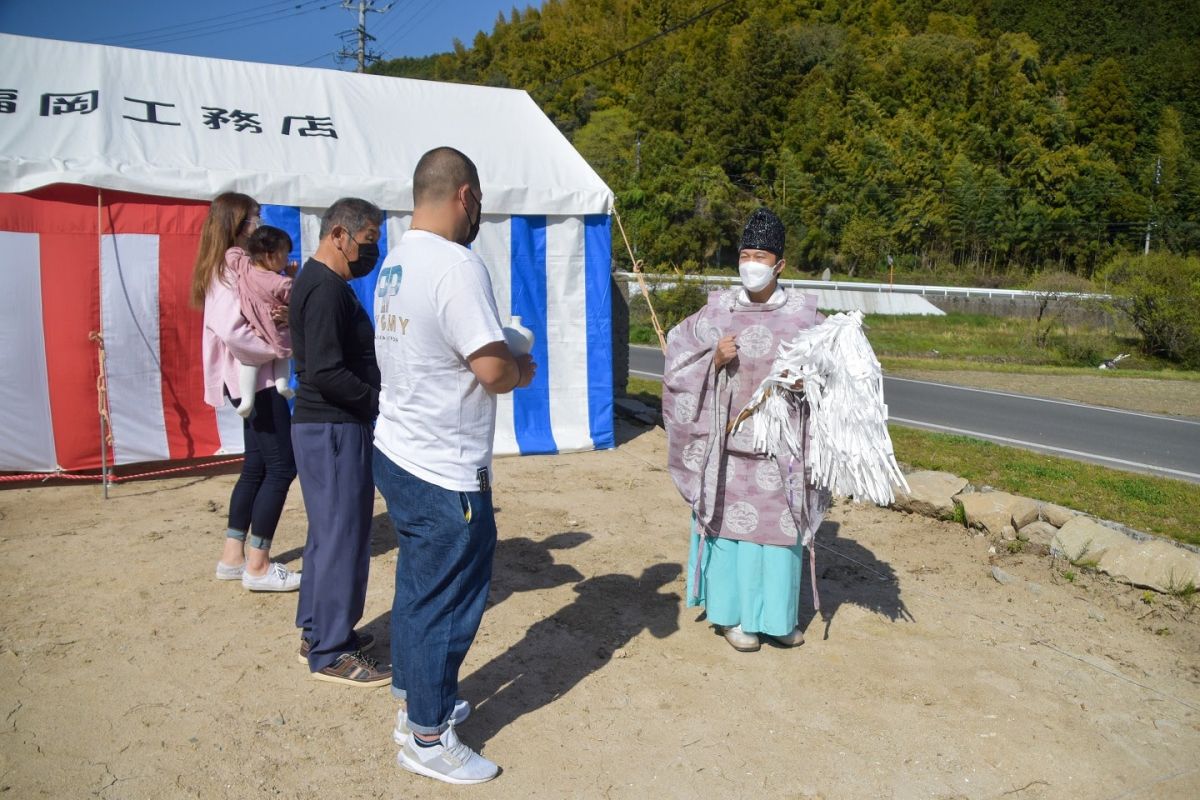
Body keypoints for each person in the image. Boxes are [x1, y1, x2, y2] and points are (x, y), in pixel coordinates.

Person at [373, 147, 535, 784]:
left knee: (418, 588)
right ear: (465, 196)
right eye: (480, 203)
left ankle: (416, 701)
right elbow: (491, 369)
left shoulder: (396, 259)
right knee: (448, 601)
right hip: (446, 466)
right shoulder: (457, 264)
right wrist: (522, 366)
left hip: (399, 448)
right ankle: (429, 735)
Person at [663, 207, 831, 653]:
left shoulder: (805, 317)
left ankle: (777, 620)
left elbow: (835, 375)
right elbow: (678, 359)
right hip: (728, 449)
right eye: (746, 254)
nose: (752, 264)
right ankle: (733, 618)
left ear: (780, 265)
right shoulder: (717, 310)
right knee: (731, 533)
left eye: (761, 255)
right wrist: (711, 360)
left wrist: (806, 380)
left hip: (782, 451)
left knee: (779, 536)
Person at [289, 197, 389, 687]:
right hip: (332, 425)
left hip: (325, 426)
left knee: (327, 534)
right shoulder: (326, 288)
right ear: (338, 234)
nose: (372, 251)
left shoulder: (325, 283)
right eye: (368, 241)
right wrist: (376, 401)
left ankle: (318, 628)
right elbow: (326, 371)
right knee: (342, 537)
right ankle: (330, 649)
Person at [191, 192, 301, 592]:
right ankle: (258, 564)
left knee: (256, 466)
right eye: (254, 217)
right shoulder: (228, 270)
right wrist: (277, 346)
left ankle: (233, 556)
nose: (259, 224)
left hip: (257, 377)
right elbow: (231, 329)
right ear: (236, 224)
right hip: (258, 378)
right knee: (282, 467)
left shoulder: (235, 267)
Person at [234, 225, 296, 418]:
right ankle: (283, 384)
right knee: (282, 357)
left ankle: (246, 399)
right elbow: (294, 303)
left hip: (256, 329)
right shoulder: (282, 283)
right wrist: (292, 276)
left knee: (249, 363)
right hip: (277, 330)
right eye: (284, 255)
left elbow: (231, 255)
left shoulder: (243, 267)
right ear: (270, 256)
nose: (287, 260)